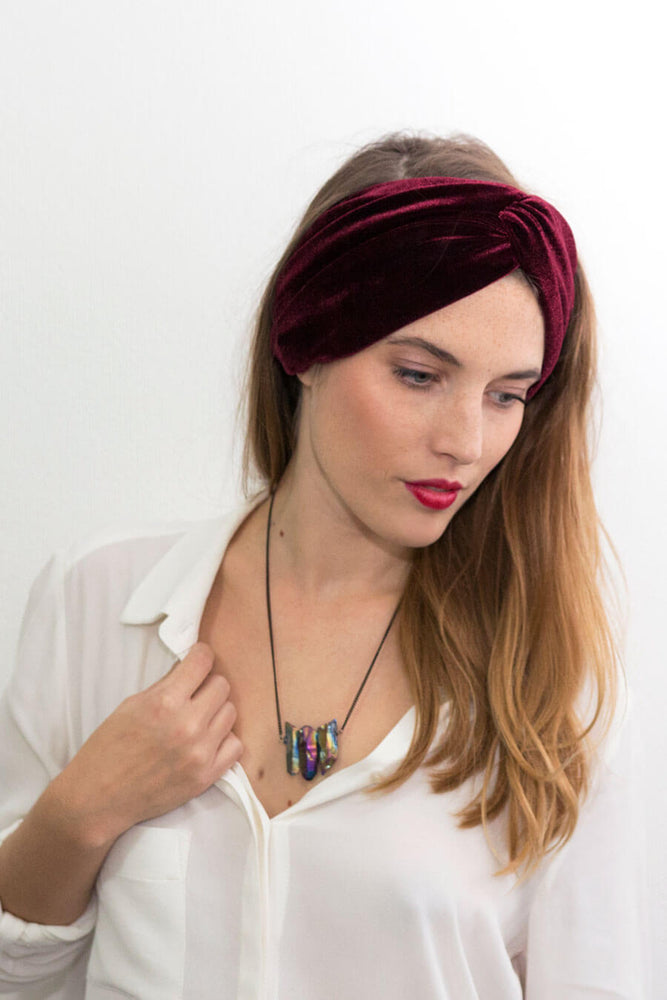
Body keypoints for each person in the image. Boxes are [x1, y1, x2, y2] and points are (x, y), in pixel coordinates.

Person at [0, 132, 646, 999]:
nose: (465, 441)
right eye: (418, 375)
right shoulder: (99, 599)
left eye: (505, 395)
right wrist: (80, 814)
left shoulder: (554, 690)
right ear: (304, 345)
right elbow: (20, 977)